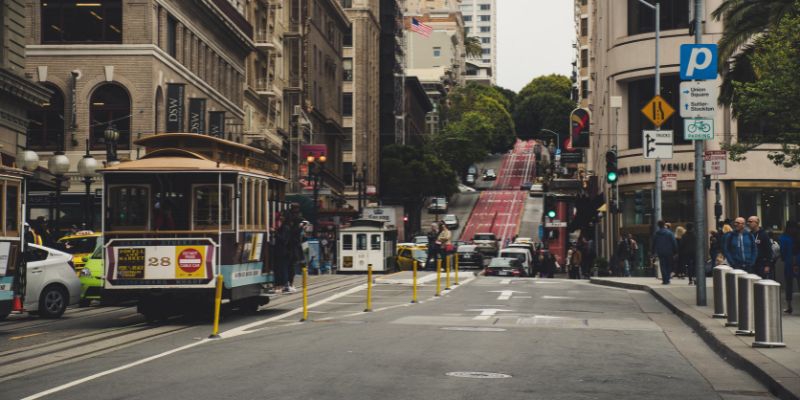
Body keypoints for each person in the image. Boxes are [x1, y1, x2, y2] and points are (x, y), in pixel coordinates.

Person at [778, 221, 800, 313]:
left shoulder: (783, 237)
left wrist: (784, 258)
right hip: (799, 261)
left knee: (789, 285)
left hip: (789, 262)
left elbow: (782, 251)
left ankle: (789, 306)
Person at [652, 220, 678, 285]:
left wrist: (653, 252)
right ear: (664, 225)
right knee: (668, 265)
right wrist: (675, 251)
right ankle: (667, 279)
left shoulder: (656, 233)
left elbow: (653, 243)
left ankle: (665, 279)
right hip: (669, 251)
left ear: (658, 225)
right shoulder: (669, 233)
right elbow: (674, 242)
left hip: (660, 252)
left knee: (662, 265)